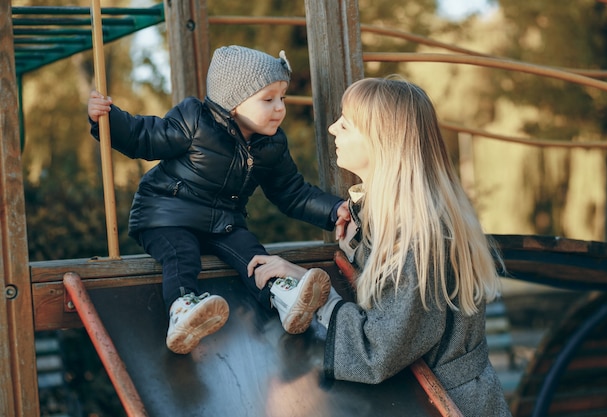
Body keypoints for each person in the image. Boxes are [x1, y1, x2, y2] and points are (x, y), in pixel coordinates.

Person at [248, 77, 512, 416]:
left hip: (447, 405)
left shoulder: (417, 235)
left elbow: (380, 348)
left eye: (346, 123)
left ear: (381, 140)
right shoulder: (401, 221)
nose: (331, 129)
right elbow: (394, 299)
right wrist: (330, 260)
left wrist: (316, 293)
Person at [87, 45, 350, 355]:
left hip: (223, 222)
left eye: (282, 98)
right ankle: (183, 309)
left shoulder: (272, 144)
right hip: (165, 215)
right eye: (268, 99)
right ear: (232, 104)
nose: (279, 108)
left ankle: (283, 296)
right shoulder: (194, 121)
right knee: (181, 253)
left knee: (252, 253)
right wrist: (107, 118)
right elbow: (144, 136)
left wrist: (334, 210)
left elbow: (291, 192)